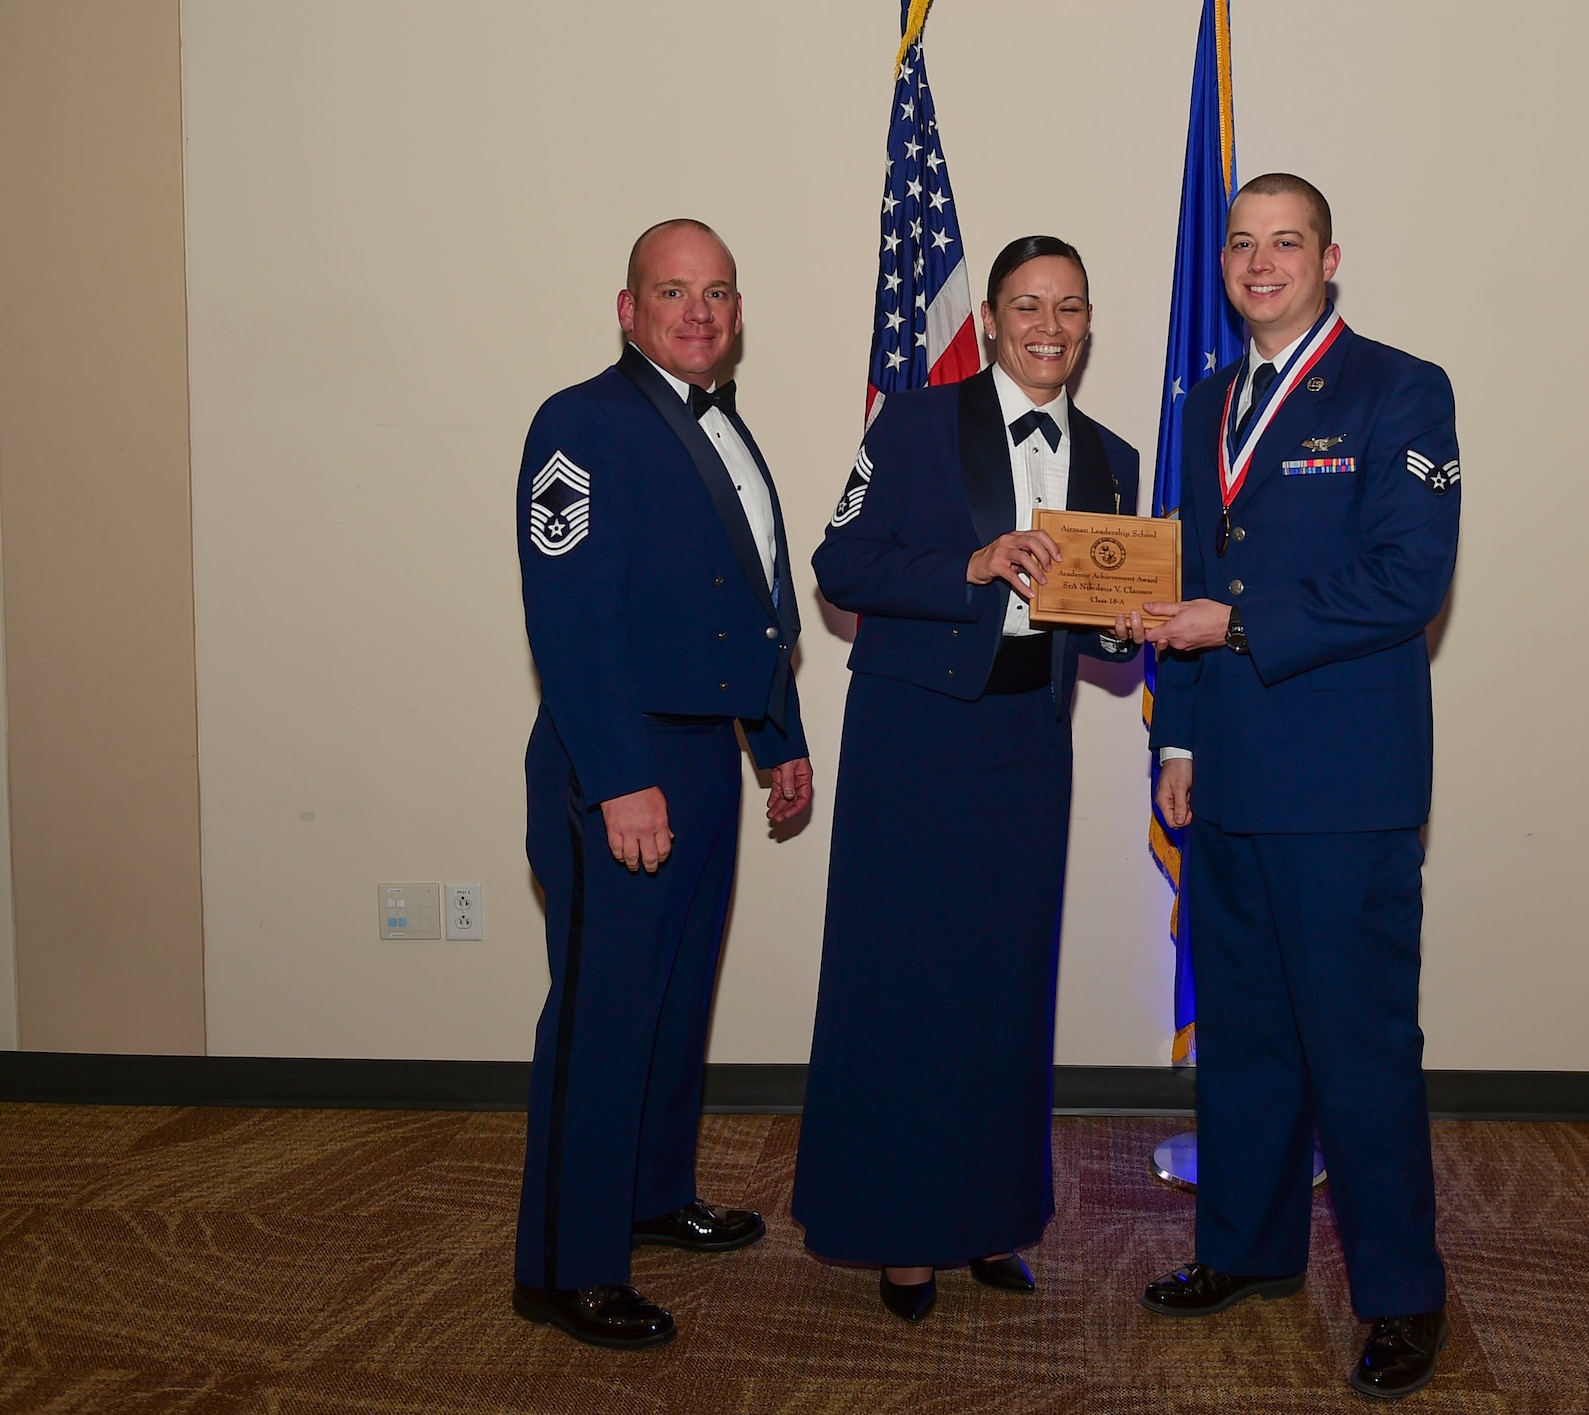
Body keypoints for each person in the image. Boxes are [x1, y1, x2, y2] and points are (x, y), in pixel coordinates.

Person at [1130, 173, 1460, 1400]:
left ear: (1330, 257)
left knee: (1358, 1049)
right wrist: (1181, 744)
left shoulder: (1399, 390)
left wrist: (1236, 621)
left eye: (1286, 242)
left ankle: (1401, 1293)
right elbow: (1201, 576)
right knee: (1250, 1039)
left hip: (1342, 786)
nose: (1259, 261)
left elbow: (1403, 579)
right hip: (1228, 782)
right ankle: (1246, 1250)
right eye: (1241, 243)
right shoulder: (1213, 397)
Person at [792, 236, 1139, 1324]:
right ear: (989, 319)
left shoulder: (1114, 458)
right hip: (915, 740)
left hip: (1031, 747)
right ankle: (902, 1234)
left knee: (1005, 988)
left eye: (1069, 306)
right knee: (904, 992)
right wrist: (970, 566)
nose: (1050, 324)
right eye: (1028, 304)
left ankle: (990, 1216)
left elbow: (1111, 644)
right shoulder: (911, 423)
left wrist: (1136, 628)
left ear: (1088, 324)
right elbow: (838, 564)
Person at [510, 219, 813, 1350]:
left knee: (677, 998)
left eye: (718, 292)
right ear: (627, 307)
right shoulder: (579, 425)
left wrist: (774, 735)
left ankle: (647, 1193)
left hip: (702, 753)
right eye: (673, 291)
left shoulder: (724, 426)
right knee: (604, 1016)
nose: (698, 311)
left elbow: (752, 603)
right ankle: (562, 1262)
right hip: (619, 758)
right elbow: (571, 621)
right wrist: (621, 776)